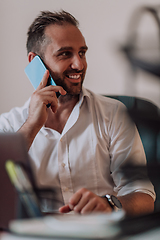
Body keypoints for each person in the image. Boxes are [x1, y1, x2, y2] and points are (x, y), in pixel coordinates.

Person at [0, 10, 155, 216]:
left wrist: (110, 204)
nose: (79, 64)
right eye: (65, 54)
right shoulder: (8, 126)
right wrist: (31, 125)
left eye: (82, 53)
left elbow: (143, 195)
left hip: (98, 234)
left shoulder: (114, 113)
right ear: (34, 61)